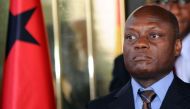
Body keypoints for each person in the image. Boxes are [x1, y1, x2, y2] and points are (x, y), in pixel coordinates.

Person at [87, 5, 190, 109]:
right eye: (130, 37)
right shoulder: (97, 107)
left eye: (154, 35)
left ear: (177, 46)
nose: (140, 43)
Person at [109, 0, 190, 92]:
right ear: (149, 5)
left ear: (177, 46)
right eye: (163, 1)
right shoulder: (124, 64)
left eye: (183, 1)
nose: (174, 10)